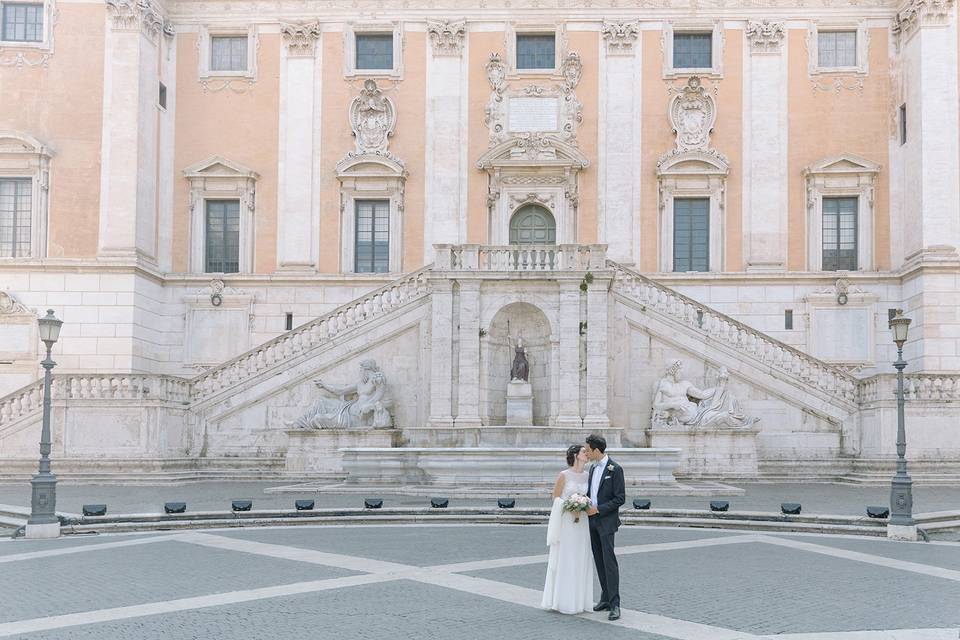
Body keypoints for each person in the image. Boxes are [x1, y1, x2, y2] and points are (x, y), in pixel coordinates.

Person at [541, 444, 594, 614]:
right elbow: (555, 498)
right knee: (567, 557)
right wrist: (571, 506)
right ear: (575, 455)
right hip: (567, 522)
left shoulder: (588, 475)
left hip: (583, 522)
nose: (587, 454)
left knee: (581, 556)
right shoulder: (564, 475)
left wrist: (583, 505)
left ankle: (579, 600)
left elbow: (590, 497)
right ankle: (563, 601)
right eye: (584, 452)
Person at [584, 433, 625, 620]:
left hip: (606, 522)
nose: (586, 452)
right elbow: (591, 492)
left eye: (587, 449)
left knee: (609, 562)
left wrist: (598, 510)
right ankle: (605, 598)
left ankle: (616, 604)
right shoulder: (592, 468)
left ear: (596, 450)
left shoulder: (615, 469)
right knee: (599, 561)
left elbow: (620, 498)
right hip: (591, 522)